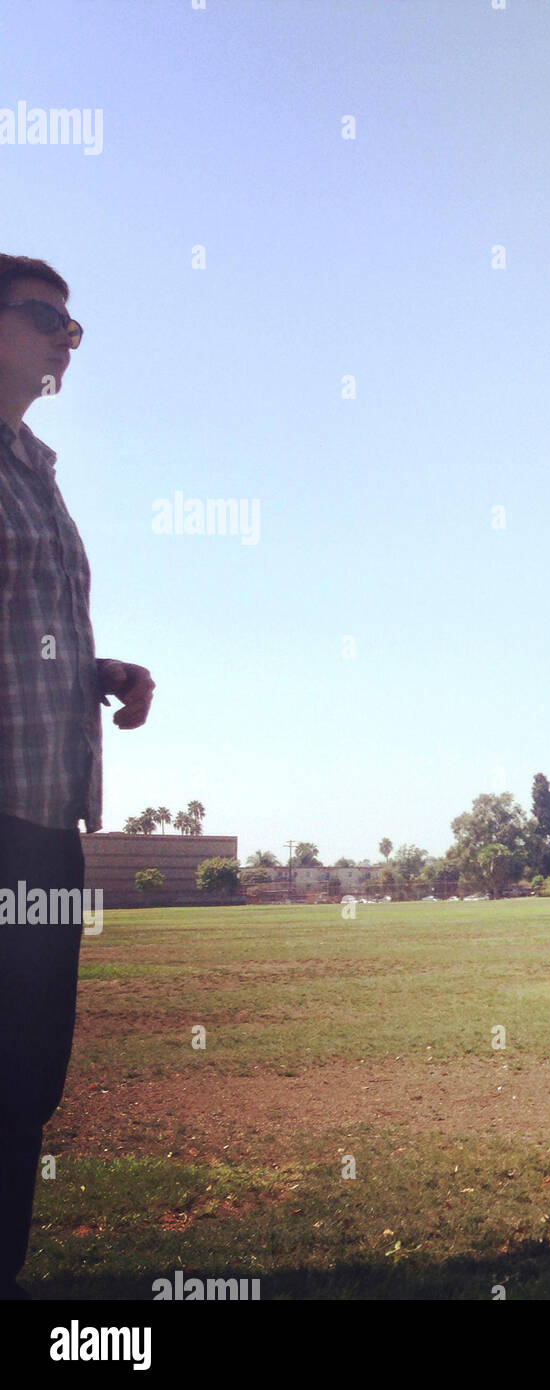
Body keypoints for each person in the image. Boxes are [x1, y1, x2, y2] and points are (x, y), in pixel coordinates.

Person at [0, 253, 154, 1297]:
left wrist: (97, 667)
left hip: (46, 818)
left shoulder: (33, 467)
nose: (69, 336)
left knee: (27, 1073)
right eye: (46, 315)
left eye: (73, 323)